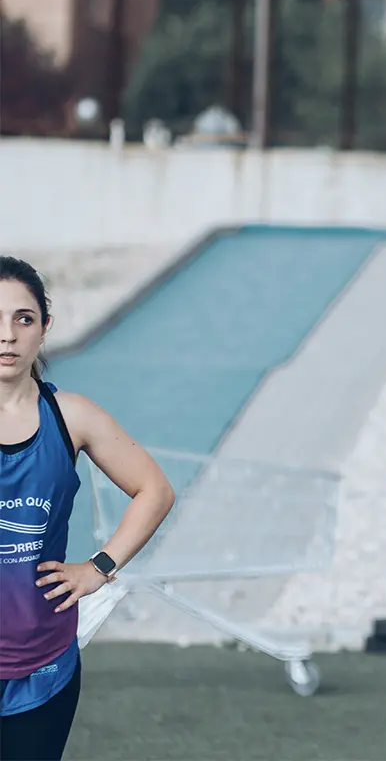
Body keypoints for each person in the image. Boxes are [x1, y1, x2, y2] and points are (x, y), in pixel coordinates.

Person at [0, 256, 176, 760]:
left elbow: (154, 490)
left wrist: (99, 567)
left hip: (42, 663)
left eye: (23, 318)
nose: (7, 335)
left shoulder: (71, 416)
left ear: (44, 328)